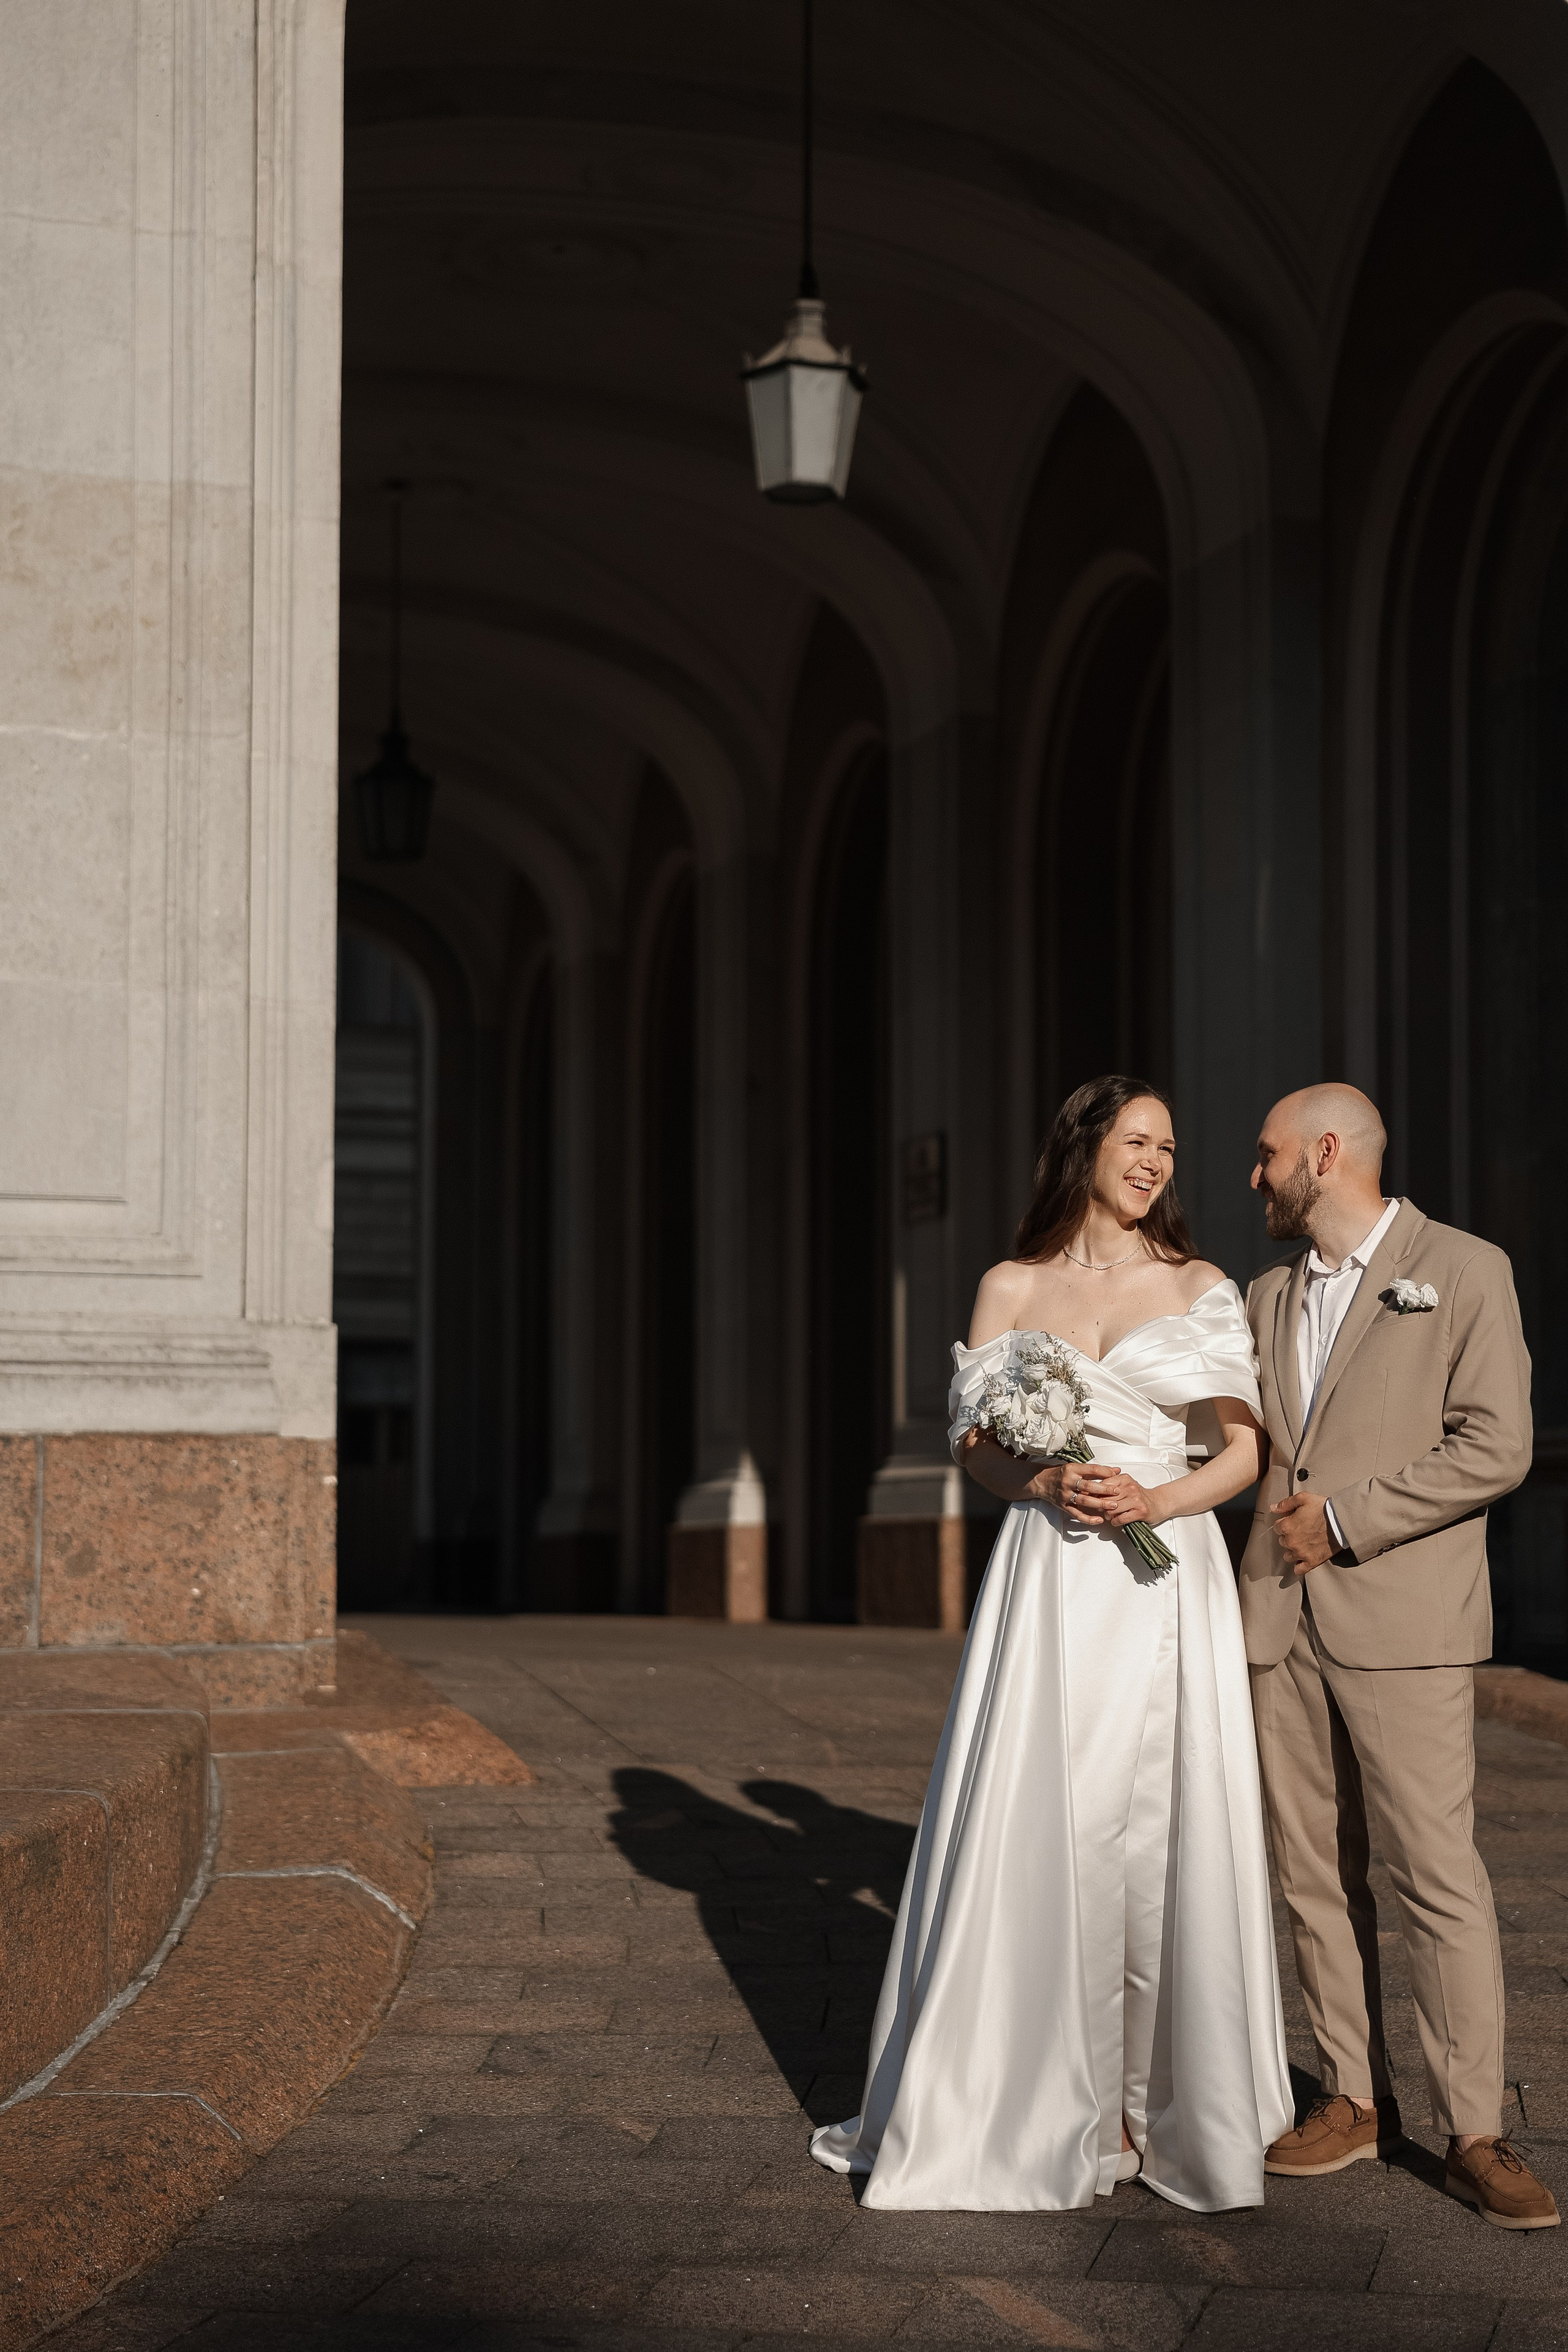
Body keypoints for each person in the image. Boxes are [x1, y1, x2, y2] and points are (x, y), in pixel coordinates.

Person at [810, 1075, 1293, 2211]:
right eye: (1138, 1141)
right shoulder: (1009, 1284)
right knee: (1046, 1815)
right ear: (1083, 1146)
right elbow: (975, 1448)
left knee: (1163, 1821)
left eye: (1170, 1147)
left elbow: (1242, 1455)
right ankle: (1034, 2100)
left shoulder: (1198, 1283)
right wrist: (1041, 1479)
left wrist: (1160, 1504)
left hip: (1164, 1580)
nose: (1157, 1163)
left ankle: (1158, 2098)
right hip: (1051, 1573)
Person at [1243, 1084, 1555, 2230]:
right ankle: (1352, 2099)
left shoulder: (1466, 1269)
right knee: (1311, 1874)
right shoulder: (1263, 1292)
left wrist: (1346, 1519)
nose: (1255, 1178)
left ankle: (1476, 2132)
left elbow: (1499, 1446)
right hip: (1280, 1624)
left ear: (1325, 1155)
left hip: (1405, 1624)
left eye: (1268, 1156)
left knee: (1437, 1874)